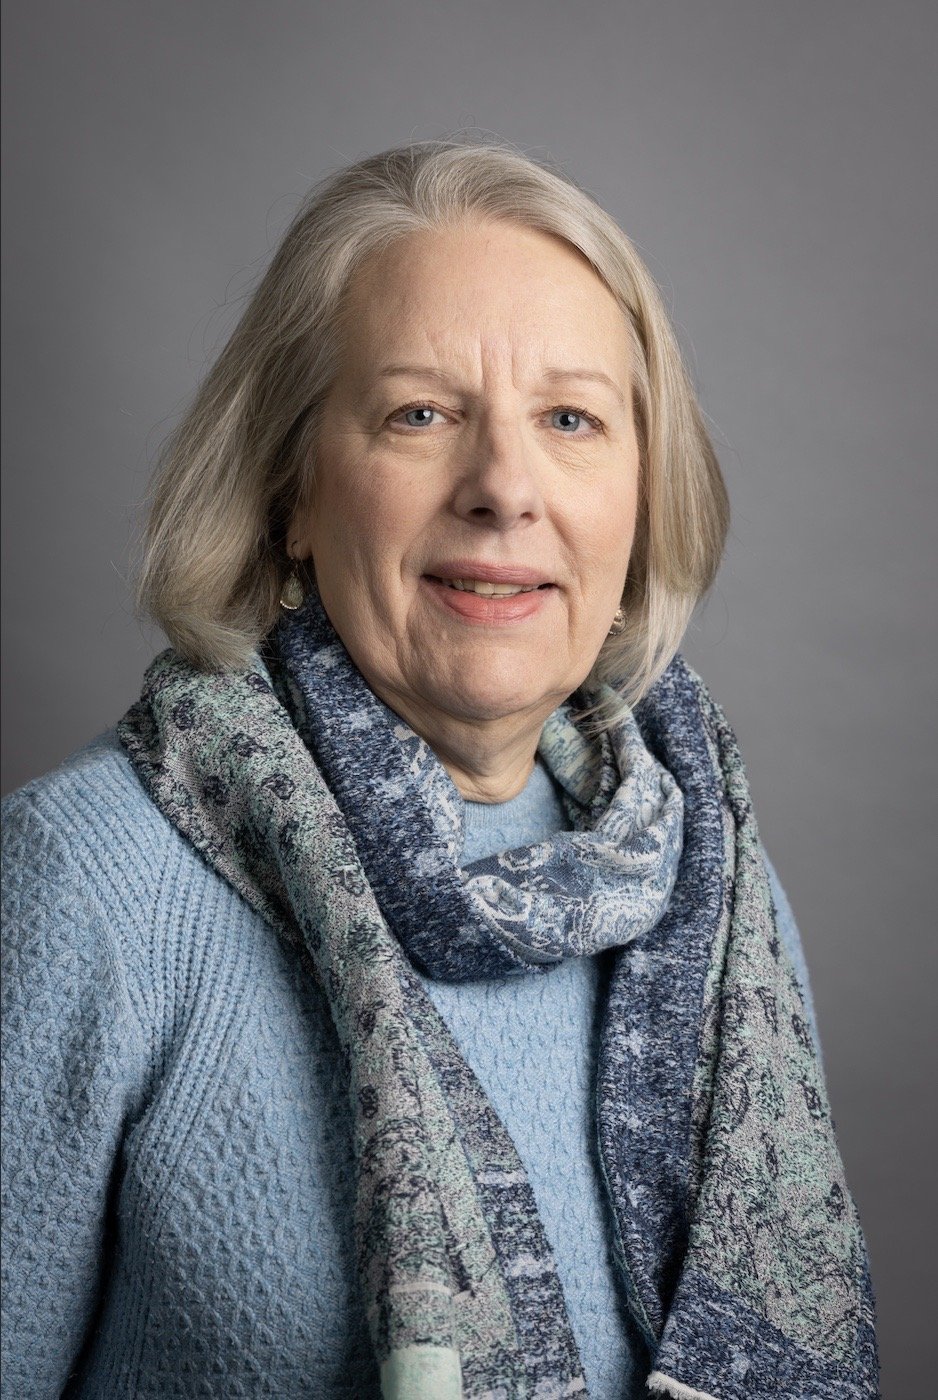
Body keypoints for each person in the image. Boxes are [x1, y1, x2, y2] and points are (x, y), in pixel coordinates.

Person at [1, 137, 879, 1399]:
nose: (503, 488)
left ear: (638, 499)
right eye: (420, 414)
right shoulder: (88, 883)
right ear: (288, 489)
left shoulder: (716, 893)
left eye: (569, 419)